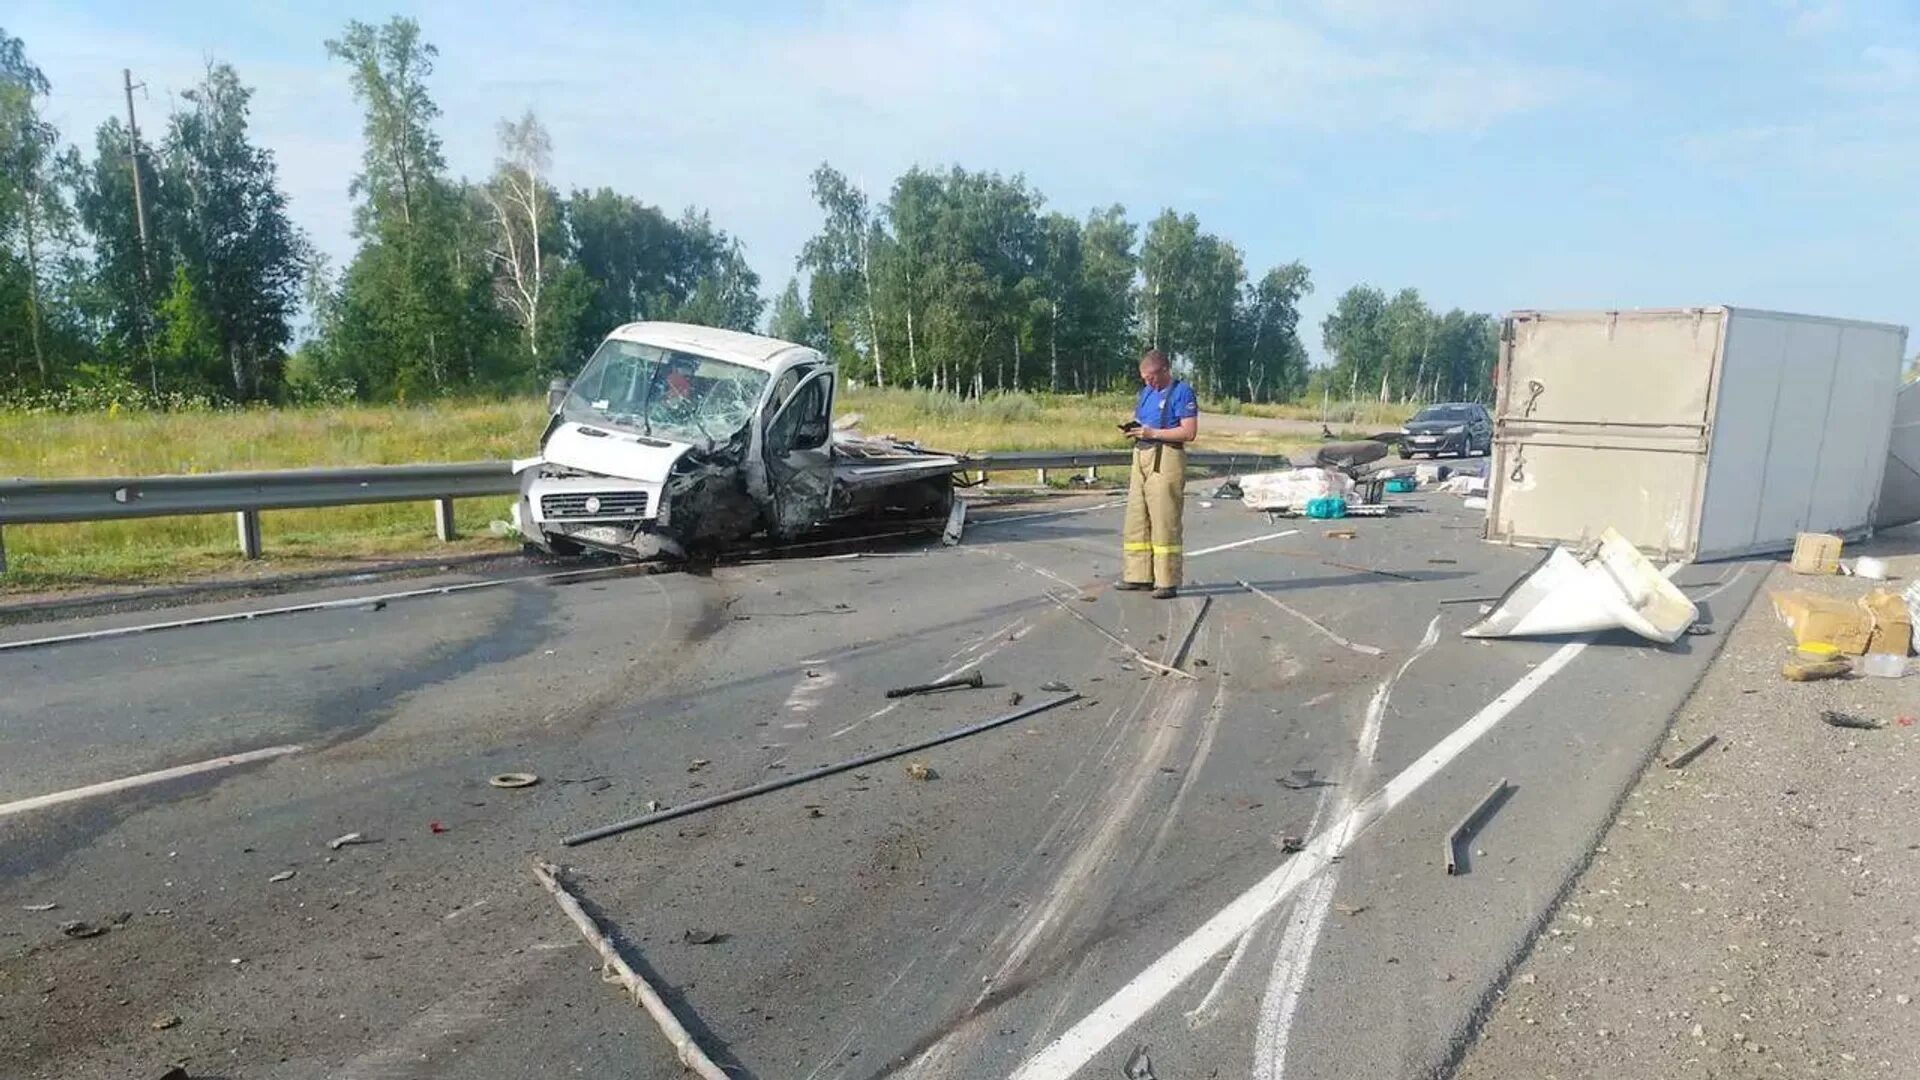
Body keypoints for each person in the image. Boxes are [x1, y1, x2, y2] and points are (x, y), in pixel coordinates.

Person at [1119, 349, 1199, 598]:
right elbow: (1144, 421)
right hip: (1141, 454)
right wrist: (1136, 431)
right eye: (1144, 378)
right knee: (1137, 517)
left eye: (1151, 377)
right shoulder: (1146, 393)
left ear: (1165, 370)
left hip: (1166, 456)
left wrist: (1153, 433)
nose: (1148, 382)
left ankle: (1166, 581)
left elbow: (1188, 432)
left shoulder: (1182, 392)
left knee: (1164, 518)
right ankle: (1138, 575)